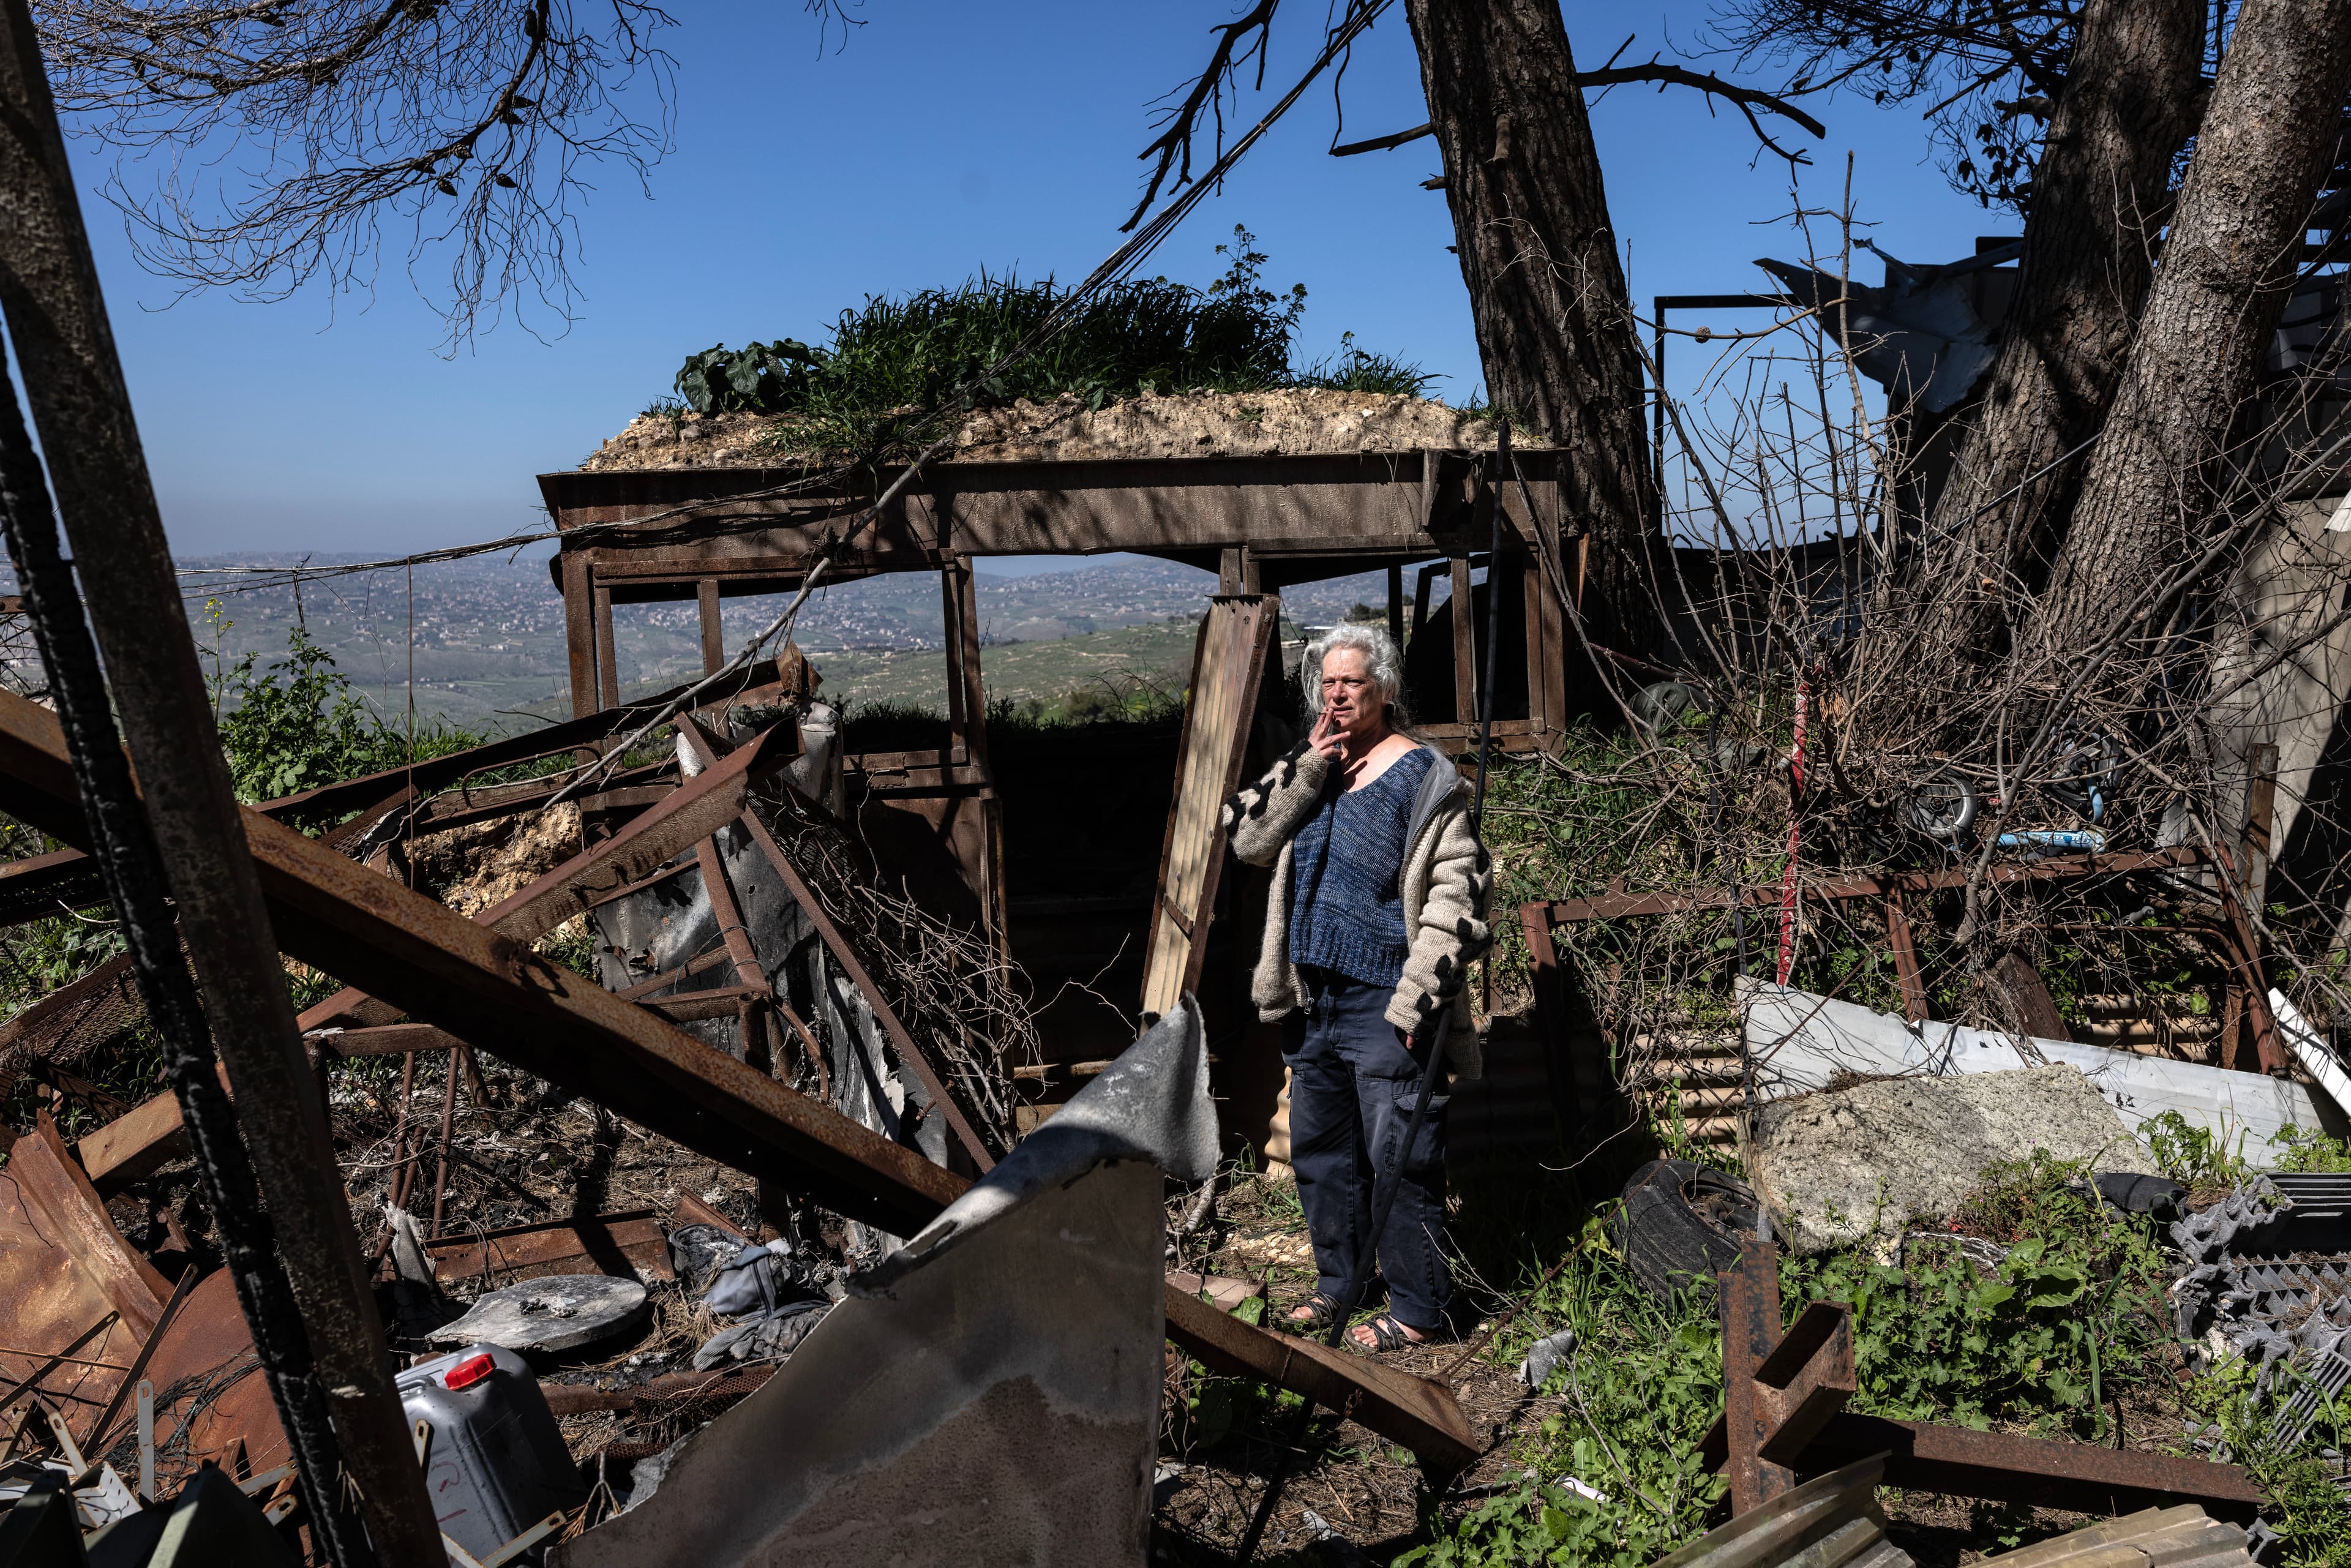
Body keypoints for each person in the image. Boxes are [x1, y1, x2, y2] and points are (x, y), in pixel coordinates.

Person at [1221, 623, 1491, 1352]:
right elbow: (1248, 841)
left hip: (1385, 1000)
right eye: (1327, 683)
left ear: (1387, 690)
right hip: (1314, 996)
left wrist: (1416, 999)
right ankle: (1342, 1285)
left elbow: (1456, 897)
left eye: (1352, 683)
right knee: (1322, 1151)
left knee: (1400, 1151)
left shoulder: (1427, 778)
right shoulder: (1311, 766)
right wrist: (1309, 768)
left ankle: (1419, 1310)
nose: (1336, 695)